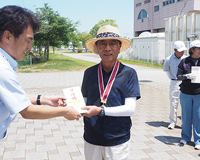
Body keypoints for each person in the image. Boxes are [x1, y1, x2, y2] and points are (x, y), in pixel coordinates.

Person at [0, 5, 81, 140]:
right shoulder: (2, 69)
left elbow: (12, 96)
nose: (30, 47)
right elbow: (27, 111)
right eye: (27, 40)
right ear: (7, 36)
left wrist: (45, 99)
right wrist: (65, 111)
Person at [81, 25, 141, 160]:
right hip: (92, 136)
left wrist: (100, 111)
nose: (107, 48)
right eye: (102, 44)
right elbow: (83, 101)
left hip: (117, 138)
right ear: (97, 48)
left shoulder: (129, 73)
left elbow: (130, 109)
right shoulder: (89, 72)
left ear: (119, 47)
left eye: (112, 43)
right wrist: (72, 106)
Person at [177, 39, 200, 150]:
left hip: (198, 94)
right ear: (192, 49)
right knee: (186, 116)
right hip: (185, 93)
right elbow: (178, 76)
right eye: (198, 48)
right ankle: (185, 137)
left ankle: (198, 140)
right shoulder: (184, 61)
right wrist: (187, 76)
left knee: (198, 117)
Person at [163, 41, 187, 129]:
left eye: (183, 50)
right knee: (173, 102)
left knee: (184, 103)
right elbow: (167, 71)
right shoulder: (168, 59)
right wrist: (173, 79)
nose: (182, 52)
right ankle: (172, 122)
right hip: (174, 82)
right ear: (175, 50)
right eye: (180, 51)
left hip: (185, 83)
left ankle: (184, 123)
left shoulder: (186, 59)